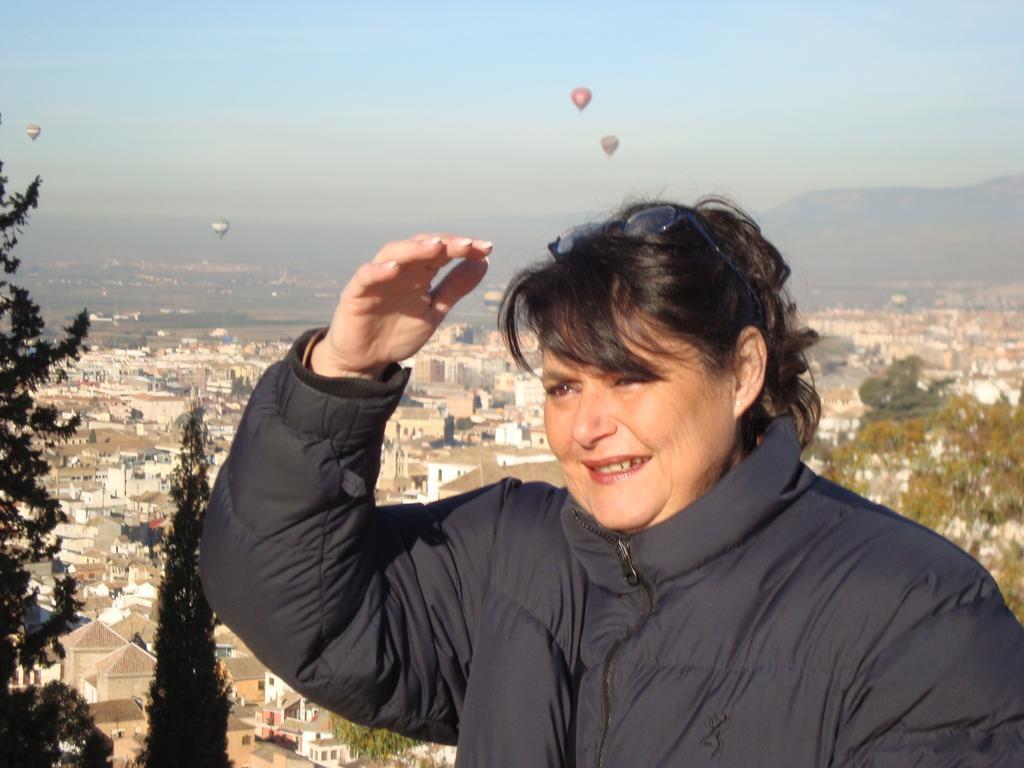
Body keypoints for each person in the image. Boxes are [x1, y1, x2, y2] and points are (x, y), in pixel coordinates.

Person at [200, 199, 1024, 767]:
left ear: (740, 375)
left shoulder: (916, 615)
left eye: (629, 379)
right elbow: (295, 604)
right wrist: (341, 377)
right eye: (563, 387)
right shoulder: (513, 556)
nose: (586, 427)